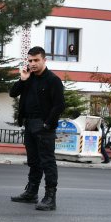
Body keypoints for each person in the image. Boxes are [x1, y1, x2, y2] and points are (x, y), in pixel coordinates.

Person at [9, 46, 65, 211]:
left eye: (36, 60)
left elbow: (59, 105)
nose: (32, 64)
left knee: (47, 162)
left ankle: (50, 198)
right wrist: (23, 79)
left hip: (44, 126)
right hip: (29, 124)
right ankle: (32, 193)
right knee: (33, 161)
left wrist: (47, 124)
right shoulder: (29, 77)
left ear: (44, 60)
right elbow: (13, 93)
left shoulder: (53, 80)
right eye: (30, 60)